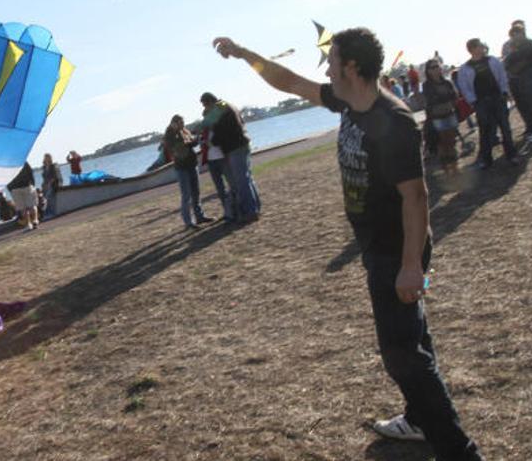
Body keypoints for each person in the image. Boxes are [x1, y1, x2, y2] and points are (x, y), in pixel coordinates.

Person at [213, 28, 483, 460]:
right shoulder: (348, 101)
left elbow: (416, 196)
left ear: (351, 68)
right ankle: (418, 418)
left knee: (401, 354)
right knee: (413, 336)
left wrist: (411, 266)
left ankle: (459, 450)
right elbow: (290, 82)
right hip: (380, 248)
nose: (326, 67)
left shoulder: (391, 121)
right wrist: (245, 51)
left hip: (398, 252)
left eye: (332, 59)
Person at [194, 92, 261, 223]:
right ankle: (255, 208)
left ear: (208, 102)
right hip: (242, 144)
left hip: (235, 147)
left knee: (241, 181)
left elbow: (207, 123)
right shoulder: (228, 105)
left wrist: (198, 133)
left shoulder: (220, 107)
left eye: (204, 105)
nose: (205, 109)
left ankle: (250, 212)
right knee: (247, 179)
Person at [458, 38, 519, 169]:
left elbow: (502, 77)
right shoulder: (465, 68)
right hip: (481, 102)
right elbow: (464, 87)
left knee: (505, 127)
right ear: (472, 49)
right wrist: (473, 101)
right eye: (479, 46)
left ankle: (511, 154)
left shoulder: (493, 61)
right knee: (485, 131)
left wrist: (504, 92)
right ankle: (486, 159)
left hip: (497, 98)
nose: (482, 47)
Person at [163, 115, 213, 228]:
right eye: (180, 123)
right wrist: (191, 142)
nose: (182, 125)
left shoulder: (184, 131)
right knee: (186, 195)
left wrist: (195, 140)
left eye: (183, 122)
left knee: (196, 192)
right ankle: (188, 221)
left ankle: (199, 216)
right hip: (182, 167)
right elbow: (176, 148)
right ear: (173, 123)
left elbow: (190, 142)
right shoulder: (169, 135)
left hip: (192, 164)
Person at [504, 24, 532, 142]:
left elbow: (520, 63)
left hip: (530, 81)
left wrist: (513, 65)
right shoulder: (514, 47)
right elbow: (507, 63)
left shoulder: (530, 44)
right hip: (519, 83)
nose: (513, 38)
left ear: (522, 33)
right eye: (512, 36)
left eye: (515, 35)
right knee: (525, 107)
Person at [422, 59, 461, 175]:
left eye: (437, 67)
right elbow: (431, 100)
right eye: (432, 67)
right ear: (428, 71)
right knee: (442, 143)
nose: (435, 69)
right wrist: (445, 99)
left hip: (450, 113)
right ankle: (446, 168)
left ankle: (455, 166)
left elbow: (454, 96)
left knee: (452, 141)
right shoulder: (427, 85)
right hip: (437, 117)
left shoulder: (447, 82)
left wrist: (448, 101)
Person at [7, 162, 39, 231]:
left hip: (15, 188)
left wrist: (9, 188)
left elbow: (6, 177)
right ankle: (35, 220)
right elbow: (30, 172)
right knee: (32, 205)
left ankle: (28, 224)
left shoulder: (7, 164)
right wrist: (33, 184)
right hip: (26, 185)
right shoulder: (23, 161)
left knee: (22, 208)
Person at [41, 153, 63, 219]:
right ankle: (47, 213)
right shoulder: (44, 167)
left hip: (54, 184)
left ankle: (52, 213)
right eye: (45, 157)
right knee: (44, 197)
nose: (46, 159)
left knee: (49, 196)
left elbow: (55, 176)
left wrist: (49, 183)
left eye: (48, 157)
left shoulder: (53, 166)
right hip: (47, 184)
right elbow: (44, 177)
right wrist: (44, 184)